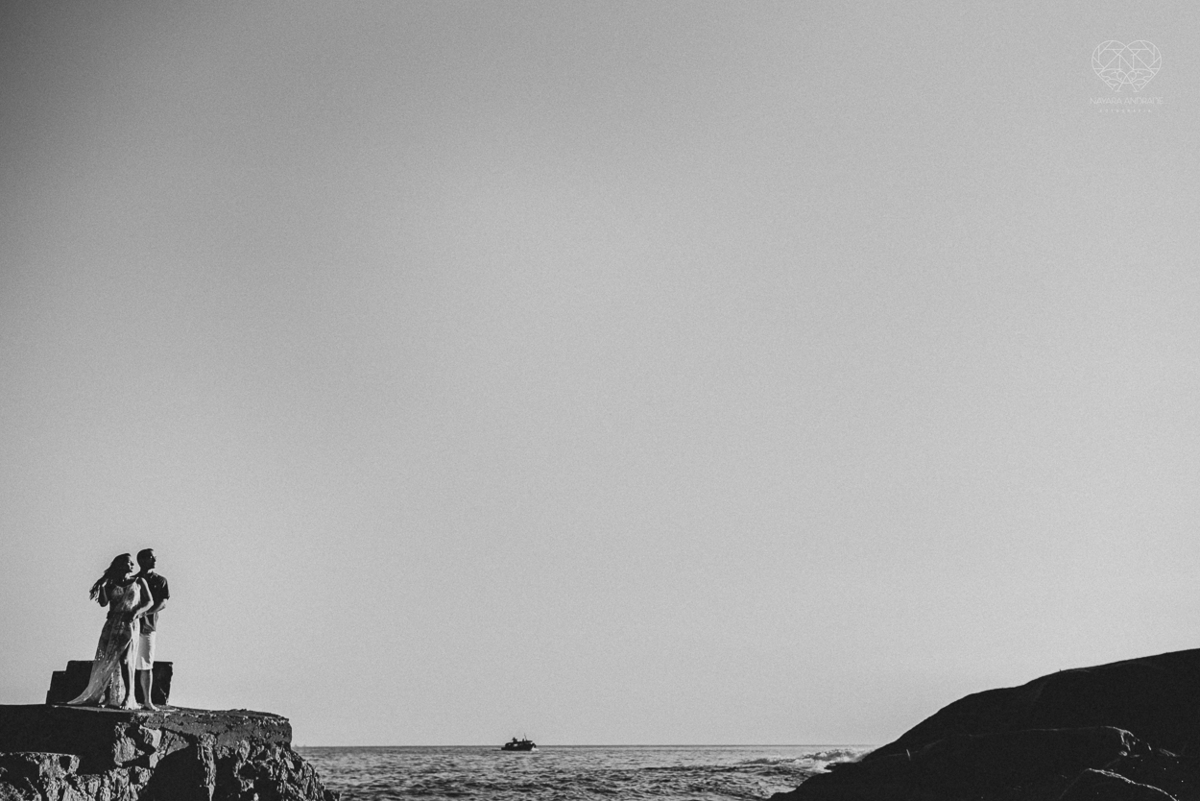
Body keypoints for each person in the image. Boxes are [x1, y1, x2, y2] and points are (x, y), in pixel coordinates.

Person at [68, 554, 154, 709]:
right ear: (120, 565)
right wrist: (102, 587)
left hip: (129, 623)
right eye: (128, 562)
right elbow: (103, 603)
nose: (132, 564)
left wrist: (137, 612)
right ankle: (108, 697)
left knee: (126, 660)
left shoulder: (139, 581)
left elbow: (149, 601)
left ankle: (129, 696)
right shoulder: (112, 583)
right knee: (108, 659)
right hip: (112, 623)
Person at [134, 548, 170, 710]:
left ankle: (147, 700)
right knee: (125, 662)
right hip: (130, 626)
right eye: (151, 557)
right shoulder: (132, 579)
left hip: (148, 626)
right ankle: (126, 697)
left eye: (155, 557)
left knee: (146, 663)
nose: (154, 560)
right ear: (142, 560)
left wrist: (144, 613)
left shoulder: (160, 580)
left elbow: (163, 603)